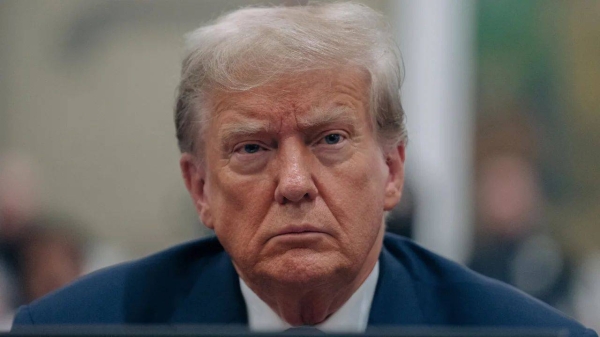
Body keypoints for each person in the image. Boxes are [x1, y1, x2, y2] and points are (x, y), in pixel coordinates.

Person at [11, 3, 596, 335]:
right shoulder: (73, 329)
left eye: (330, 139)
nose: (293, 183)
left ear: (393, 170)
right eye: (251, 149)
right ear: (200, 188)